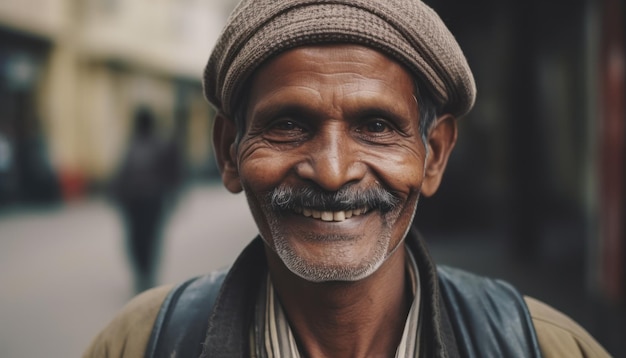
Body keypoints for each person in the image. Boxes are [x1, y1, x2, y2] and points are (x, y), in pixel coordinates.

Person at [84, 0, 610, 357]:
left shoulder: (538, 347)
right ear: (228, 152)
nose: (333, 172)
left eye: (377, 127)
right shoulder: (141, 344)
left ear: (434, 155)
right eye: (289, 125)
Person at [111, 107, 181, 293]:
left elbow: (171, 174)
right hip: (138, 203)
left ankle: (146, 273)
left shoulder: (153, 145)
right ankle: (143, 273)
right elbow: (122, 175)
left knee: (146, 239)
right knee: (139, 239)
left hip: (149, 202)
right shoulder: (136, 145)